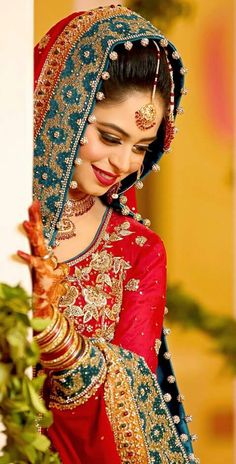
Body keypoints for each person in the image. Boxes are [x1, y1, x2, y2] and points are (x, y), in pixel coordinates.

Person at [18, 5, 198, 464]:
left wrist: (57, 336)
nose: (123, 164)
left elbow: (131, 406)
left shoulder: (137, 251)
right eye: (109, 137)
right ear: (62, 110)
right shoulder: (8, 212)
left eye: (140, 147)